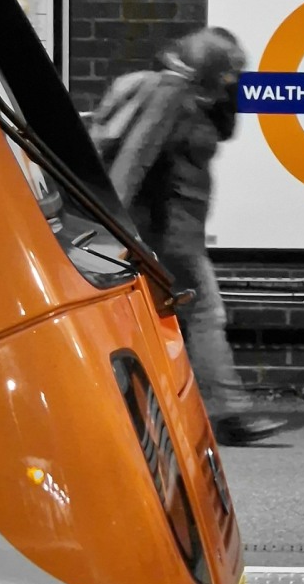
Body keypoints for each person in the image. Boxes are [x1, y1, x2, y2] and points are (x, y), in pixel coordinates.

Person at [89, 26, 285, 446]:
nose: (236, 79)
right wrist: (112, 226)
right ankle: (228, 413)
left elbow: (226, 129)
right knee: (204, 317)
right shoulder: (170, 95)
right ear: (210, 66)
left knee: (160, 322)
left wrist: (228, 95)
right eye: (231, 70)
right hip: (166, 234)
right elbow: (135, 160)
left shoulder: (198, 102)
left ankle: (136, 407)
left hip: (178, 233)